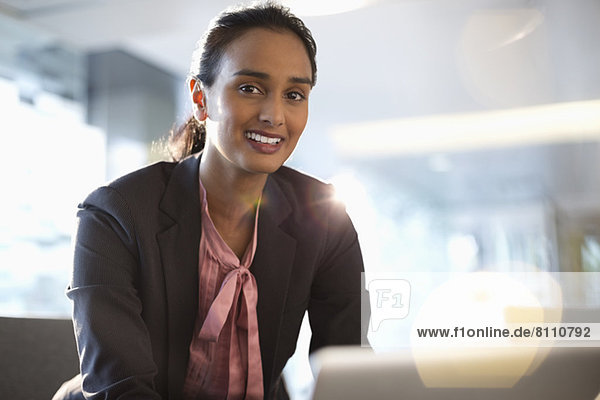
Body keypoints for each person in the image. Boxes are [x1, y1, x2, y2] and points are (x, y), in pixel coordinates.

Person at [54, 2, 366, 399]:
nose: (274, 115)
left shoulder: (325, 219)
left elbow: (350, 370)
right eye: (250, 88)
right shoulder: (115, 214)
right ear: (201, 99)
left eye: (294, 94)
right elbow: (121, 389)